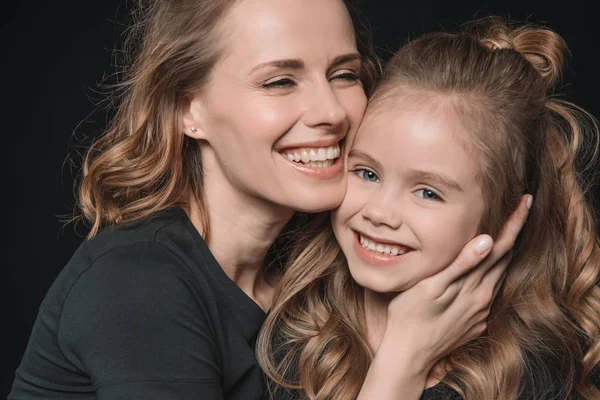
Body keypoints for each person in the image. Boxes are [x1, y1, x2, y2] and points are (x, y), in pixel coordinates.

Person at [8, 1, 529, 398]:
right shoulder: (136, 284)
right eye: (280, 81)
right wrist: (406, 357)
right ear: (188, 108)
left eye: (344, 74)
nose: (330, 110)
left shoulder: (319, 264)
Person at [258, 16, 600, 400]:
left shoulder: (523, 373)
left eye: (427, 193)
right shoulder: (294, 325)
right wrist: (404, 357)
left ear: (506, 216)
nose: (380, 213)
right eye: (368, 173)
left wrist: (403, 360)